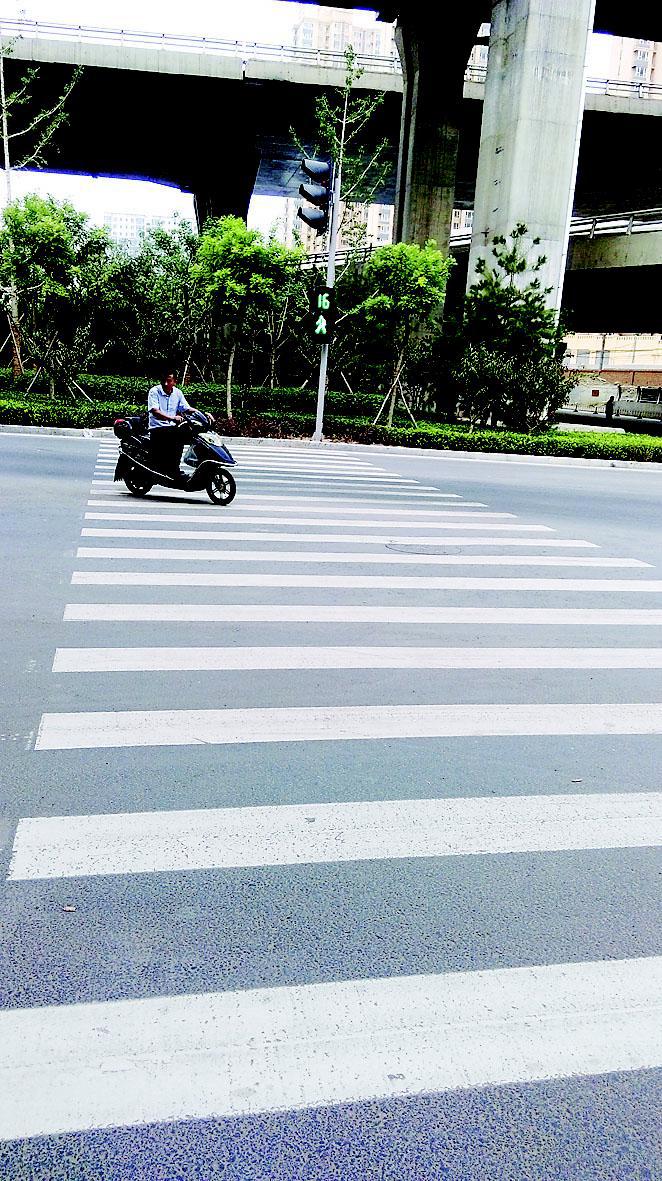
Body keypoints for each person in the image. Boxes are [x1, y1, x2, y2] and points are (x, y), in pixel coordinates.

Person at [147, 370, 213, 477]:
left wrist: (203, 414)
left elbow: (186, 408)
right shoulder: (154, 391)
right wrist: (172, 418)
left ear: (175, 382)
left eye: (169, 381)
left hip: (171, 427)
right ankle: (174, 470)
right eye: (163, 381)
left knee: (191, 435)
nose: (165, 384)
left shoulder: (177, 393)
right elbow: (155, 411)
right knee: (178, 437)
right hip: (157, 428)